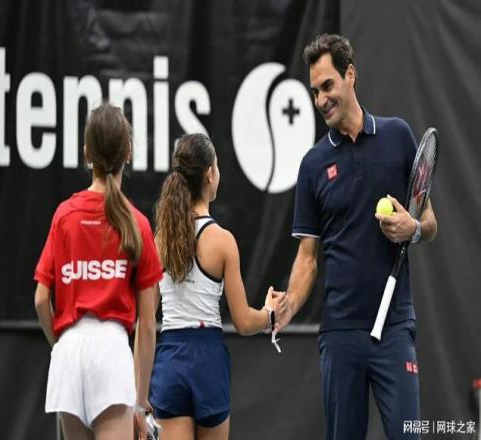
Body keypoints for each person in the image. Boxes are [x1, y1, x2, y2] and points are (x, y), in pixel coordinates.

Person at [274, 34, 438, 439]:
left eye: (327, 86)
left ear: (350, 75)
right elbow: (307, 257)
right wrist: (290, 303)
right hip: (341, 334)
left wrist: (413, 229)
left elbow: (429, 221)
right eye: (314, 91)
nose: (320, 100)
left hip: (395, 328)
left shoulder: (398, 136)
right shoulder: (313, 165)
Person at [34, 103, 163, 440]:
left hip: (69, 352)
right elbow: (148, 325)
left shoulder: (64, 216)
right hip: (111, 353)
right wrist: (140, 404)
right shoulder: (138, 224)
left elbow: (41, 300)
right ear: (129, 152)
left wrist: (61, 346)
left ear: (86, 153)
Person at [146, 133, 286, 440]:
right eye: (218, 166)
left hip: (170, 360)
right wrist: (270, 314)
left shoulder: (160, 240)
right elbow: (244, 322)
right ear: (210, 173)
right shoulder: (222, 241)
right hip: (207, 362)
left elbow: (145, 317)